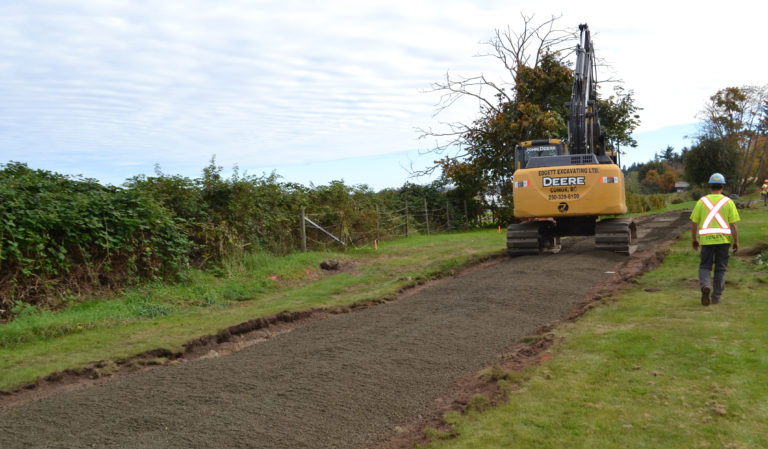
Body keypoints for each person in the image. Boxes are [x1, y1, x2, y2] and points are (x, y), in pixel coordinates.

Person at [690, 173, 740, 306]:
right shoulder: (728, 202)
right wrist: (736, 242)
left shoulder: (702, 202)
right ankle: (716, 297)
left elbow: (694, 223)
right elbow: (733, 225)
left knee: (705, 266)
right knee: (721, 269)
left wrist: (694, 239)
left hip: (706, 241)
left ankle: (706, 285)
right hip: (724, 241)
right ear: (723, 186)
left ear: (710, 186)